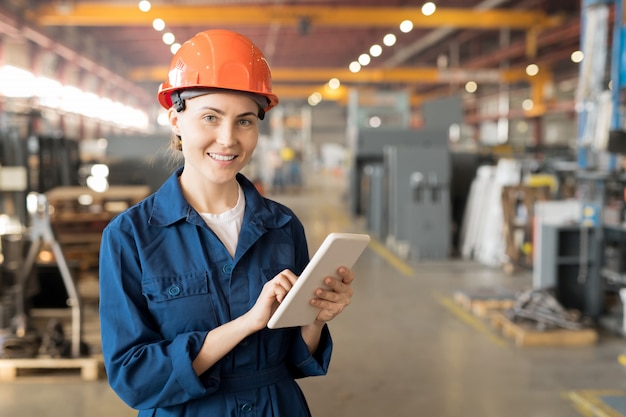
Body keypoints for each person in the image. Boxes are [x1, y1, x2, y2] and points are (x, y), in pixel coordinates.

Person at [98, 29, 356, 417]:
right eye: (210, 117)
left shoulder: (282, 226)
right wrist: (246, 324)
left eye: (245, 121)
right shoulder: (130, 237)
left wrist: (315, 319)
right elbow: (134, 377)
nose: (228, 139)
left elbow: (296, 360)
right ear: (175, 120)